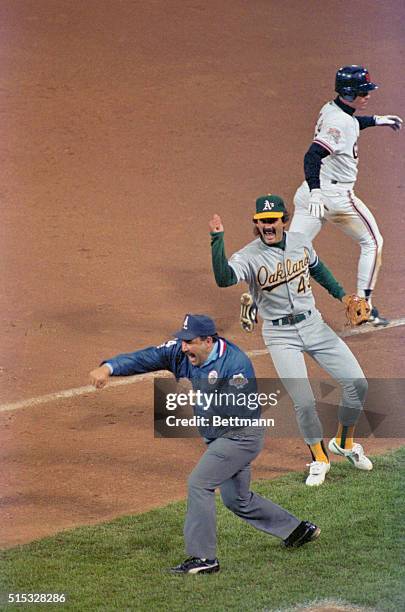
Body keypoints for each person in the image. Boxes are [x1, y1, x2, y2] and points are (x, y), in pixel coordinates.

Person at [89, 314, 320, 575]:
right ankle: (297, 530)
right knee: (237, 500)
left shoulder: (235, 365)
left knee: (199, 483)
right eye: (183, 341)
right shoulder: (182, 352)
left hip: (239, 435)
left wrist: (203, 395)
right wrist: (109, 367)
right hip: (220, 437)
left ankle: (203, 558)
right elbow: (146, 357)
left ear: (208, 341)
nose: (183, 346)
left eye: (189, 341)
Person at [209, 194, 372, 487]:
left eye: (272, 221)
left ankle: (344, 443)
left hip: (314, 324)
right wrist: (217, 240)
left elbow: (318, 269)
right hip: (280, 335)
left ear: (283, 220)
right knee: (305, 402)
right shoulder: (248, 256)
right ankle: (319, 458)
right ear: (256, 225)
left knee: (358, 383)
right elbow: (223, 278)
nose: (268, 226)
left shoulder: (300, 242)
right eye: (262, 222)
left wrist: (343, 296)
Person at [289, 64, 403, 325]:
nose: (368, 96)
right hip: (333, 196)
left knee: (292, 253)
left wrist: (375, 120)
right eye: (364, 93)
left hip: (308, 194)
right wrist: (318, 193)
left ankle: (263, 298)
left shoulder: (333, 109)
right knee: (373, 242)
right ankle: (364, 306)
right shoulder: (340, 121)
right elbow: (312, 155)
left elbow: (348, 125)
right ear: (349, 94)